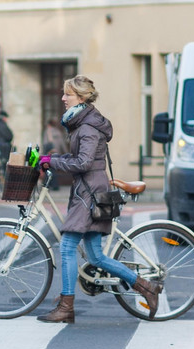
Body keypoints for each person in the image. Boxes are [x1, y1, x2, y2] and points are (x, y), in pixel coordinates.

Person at [35, 76, 162, 322]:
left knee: (68, 246)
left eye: (67, 94)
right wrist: (51, 158)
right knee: (96, 257)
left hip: (89, 193)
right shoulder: (81, 123)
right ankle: (147, 287)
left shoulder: (88, 127)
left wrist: (52, 161)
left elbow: (82, 163)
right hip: (88, 190)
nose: (63, 98)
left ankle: (66, 307)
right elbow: (82, 157)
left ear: (81, 98)